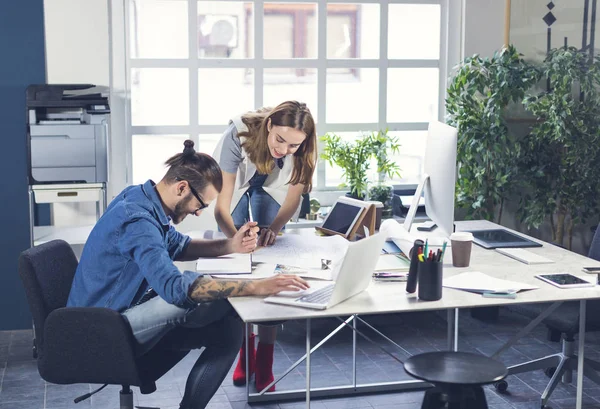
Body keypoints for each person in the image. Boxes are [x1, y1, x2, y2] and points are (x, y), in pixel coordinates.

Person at [67, 140, 309, 409]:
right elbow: (173, 288)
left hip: (118, 312)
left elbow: (178, 246)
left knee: (228, 327)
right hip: (102, 327)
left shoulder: (141, 199)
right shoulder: (137, 221)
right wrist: (254, 287)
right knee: (198, 298)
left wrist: (231, 245)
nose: (199, 212)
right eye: (200, 204)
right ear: (182, 187)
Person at [213, 101, 317, 392]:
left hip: (272, 186)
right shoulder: (237, 135)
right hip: (239, 185)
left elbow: (292, 198)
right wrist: (236, 241)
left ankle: (265, 362)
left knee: (270, 264)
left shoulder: (303, 148)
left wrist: (274, 228)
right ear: (269, 125)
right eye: (280, 140)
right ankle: (245, 353)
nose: (284, 149)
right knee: (239, 262)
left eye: (293, 145)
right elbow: (221, 207)